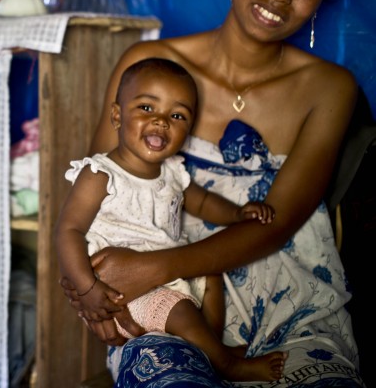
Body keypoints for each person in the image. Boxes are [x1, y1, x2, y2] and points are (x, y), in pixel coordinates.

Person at [60, 0, 366, 386]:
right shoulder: (151, 67)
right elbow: (97, 201)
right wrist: (87, 287)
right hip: (170, 309)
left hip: (296, 311)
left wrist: (148, 267)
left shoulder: (330, 89)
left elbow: (275, 226)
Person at [55, 58, 286, 381]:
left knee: (212, 276)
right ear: (117, 116)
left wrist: (237, 213)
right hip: (120, 290)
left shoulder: (172, 172)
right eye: (147, 109)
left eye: (177, 116)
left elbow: (201, 202)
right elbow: (69, 230)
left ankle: (208, 349)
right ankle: (229, 366)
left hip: (165, 274)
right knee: (180, 310)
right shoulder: (100, 174)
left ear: (186, 130)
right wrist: (89, 288)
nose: (162, 121)